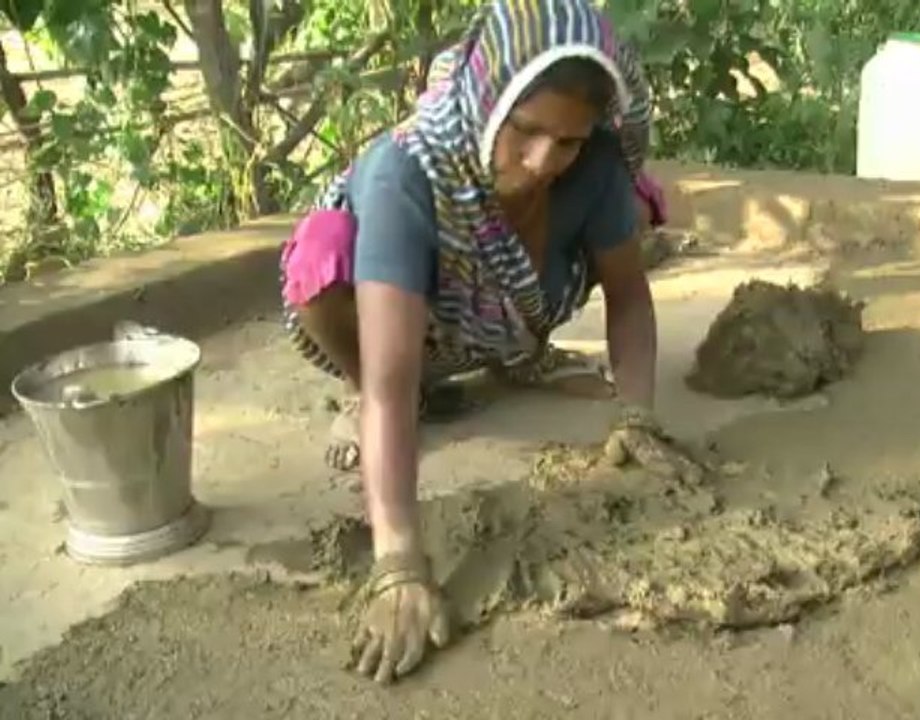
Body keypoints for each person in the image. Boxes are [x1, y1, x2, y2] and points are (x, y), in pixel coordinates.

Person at [277, 0, 695, 685]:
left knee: (634, 209)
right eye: (525, 131)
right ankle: (384, 393)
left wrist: (636, 416)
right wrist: (398, 565)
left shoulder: (592, 167)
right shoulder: (408, 172)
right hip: (401, 330)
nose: (542, 162)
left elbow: (627, 295)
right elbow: (391, 380)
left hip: (507, 318)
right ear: (486, 100)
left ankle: (519, 357)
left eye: (567, 141)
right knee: (321, 257)